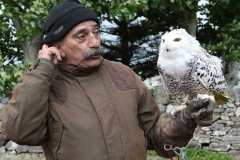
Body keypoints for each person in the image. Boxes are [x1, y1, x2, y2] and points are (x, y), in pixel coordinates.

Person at [1, 0, 214, 159]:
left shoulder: (123, 75)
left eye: (96, 32)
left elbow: (153, 134)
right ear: (56, 46)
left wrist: (184, 121)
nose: (94, 42)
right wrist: (43, 69)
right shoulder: (45, 83)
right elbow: (21, 132)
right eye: (81, 36)